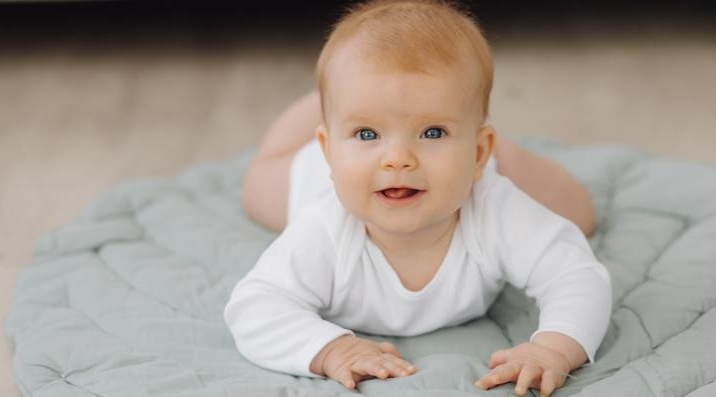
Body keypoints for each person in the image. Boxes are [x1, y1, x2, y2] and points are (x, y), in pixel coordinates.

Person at [225, 1, 611, 396]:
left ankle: (469, 141)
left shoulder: (493, 207)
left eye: (432, 132)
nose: (398, 160)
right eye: (367, 133)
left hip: (469, 168)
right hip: (316, 176)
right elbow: (255, 308)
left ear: (480, 152)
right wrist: (330, 350)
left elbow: (576, 275)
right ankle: (337, 105)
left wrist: (554, 348)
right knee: (258, 185)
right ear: (328, 150)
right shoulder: (323, 227)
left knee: (578, 214)